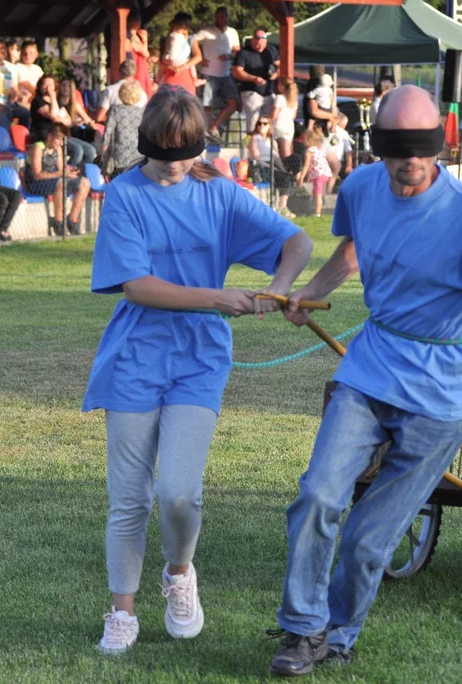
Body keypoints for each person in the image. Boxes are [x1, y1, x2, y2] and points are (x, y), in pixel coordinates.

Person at [269, 84, 462, 676]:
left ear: (442, 145)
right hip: (370, 368)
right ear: (378, 146)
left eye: (422, 147)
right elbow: (353, 249)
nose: (411, 161)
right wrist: (310, 294)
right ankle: (302, 631)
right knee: (318, 494)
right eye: (397, 147)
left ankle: (338, 630)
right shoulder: (363, 187)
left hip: (441, 395)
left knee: (369, 539)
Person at [83, 86, 312, 656]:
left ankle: (179, 574)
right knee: (129, 497)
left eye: (185, 155)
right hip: (135, 357)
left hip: (200, 362)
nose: (175, 167)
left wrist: (277, 290)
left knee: (179, 494)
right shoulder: (125, 195)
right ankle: (122, 613)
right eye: (164, 156)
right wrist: (216, 296)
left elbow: (298, 241)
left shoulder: (219, 193)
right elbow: (137, 286)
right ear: (145, 147)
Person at [26, 122, 92, 236]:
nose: (61, 143)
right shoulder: (38, 148)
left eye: (63, 140)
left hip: (55, 180)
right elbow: (37, 175)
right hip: (38, 183)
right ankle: (58, 221)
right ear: (50, 136)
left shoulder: (58, 149)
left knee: (84, 183)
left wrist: (70, 174)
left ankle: (72, 219)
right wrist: (61, 174)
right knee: (61, 183)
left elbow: (62, 170)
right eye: (59, 139)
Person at [192, 6, 242, 138]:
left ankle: (214, 127)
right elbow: (192, 39)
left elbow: (237, 50)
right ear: (216, 17)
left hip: (225, 73)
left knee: (234, 103)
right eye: (220, 16)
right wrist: (199, 57)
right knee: (207, 104)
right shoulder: (207, 31)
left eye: (225, 16)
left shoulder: (232, 32)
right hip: (209, 73)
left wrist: (229, 56)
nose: (222, 19)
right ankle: (205, 132)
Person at [31, 76, 97, 168]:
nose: (48, 87)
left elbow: (68, 120)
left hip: (61, 135)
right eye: (45, 84)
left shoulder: (54, 102)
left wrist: (63, 119)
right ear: (40, 86)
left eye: (50, 84)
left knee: (90, 150)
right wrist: (53, 97)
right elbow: (55, 116)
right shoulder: (38, 101)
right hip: (46, 135)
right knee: (77, 150)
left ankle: (82, 174)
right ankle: (67, 176)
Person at [232, 29, 279, 132]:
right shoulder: (244, 52)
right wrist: (253, 78)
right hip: (251, 91)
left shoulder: (271, 50)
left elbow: (280, 65)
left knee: (269, 124)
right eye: (257, 45)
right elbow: (237, 71)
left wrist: (276, 73)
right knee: (252, 124)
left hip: (269, 92)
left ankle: (268, 146)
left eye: (262, 45)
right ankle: (248, 145)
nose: (260, 47)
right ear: (253, 40)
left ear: (266, 42)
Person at [101, 81, 145, 176]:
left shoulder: (116, 109)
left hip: (120, 155)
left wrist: (104, 148)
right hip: (138, 154)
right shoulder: (143, 112)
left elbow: (108, 131)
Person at [158, 13, 203, 97]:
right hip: (170, 74)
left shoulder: (190, 39)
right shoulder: (167, 39)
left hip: (185, 75)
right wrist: (170, 67)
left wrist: (183, 66)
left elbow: (198, 57)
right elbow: (160, 60)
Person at [95, 59, 149, 124]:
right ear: (134, 73)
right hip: (135, 131)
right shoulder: (142, 93)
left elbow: (99, 117)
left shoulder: (110, 90)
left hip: (115, 130)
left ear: (119, 72)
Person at [294, 128, 332, 217]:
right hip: (325, 173)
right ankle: (317, 209)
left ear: (309, 139)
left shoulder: (309, 151)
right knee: (317, 192)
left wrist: (302, 177)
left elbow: (307, 165)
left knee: (317, 193)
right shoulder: (317, 149)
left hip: (318, 174)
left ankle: (317, 212)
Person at [10, 40, 43, 128]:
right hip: (22, 101)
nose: (28, 56)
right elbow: (25, 84)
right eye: (25, 53)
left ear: (36, 54)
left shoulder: (38, 69)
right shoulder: (17, 67)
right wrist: (39, 95)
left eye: (31, 53)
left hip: (36, 101)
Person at [58, 78, 98, 145]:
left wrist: (96, 130)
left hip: (75, 132)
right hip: (63, 133)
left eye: (69, 86)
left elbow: (88, 120)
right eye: (63, 85)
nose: (66, 88)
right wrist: (74, 123)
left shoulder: (75, 105)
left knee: (93, 133)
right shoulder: (56, 104)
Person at [125, 12, 154, 98]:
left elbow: (146, 54)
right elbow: (144, 52)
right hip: (136, 65)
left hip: (142, 65)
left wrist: (145, 40)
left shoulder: (137, 36)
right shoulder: (128, 35)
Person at [270, 78, 298, 159]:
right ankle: (291, 166)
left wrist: (269, 122)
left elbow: (274, 114)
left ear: (281, 86)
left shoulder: (279, 98)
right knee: (287, 148)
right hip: (289, 126)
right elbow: (294, 116)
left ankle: (283, 167)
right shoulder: (294, 100)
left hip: (279, 125)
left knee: (280, 150)